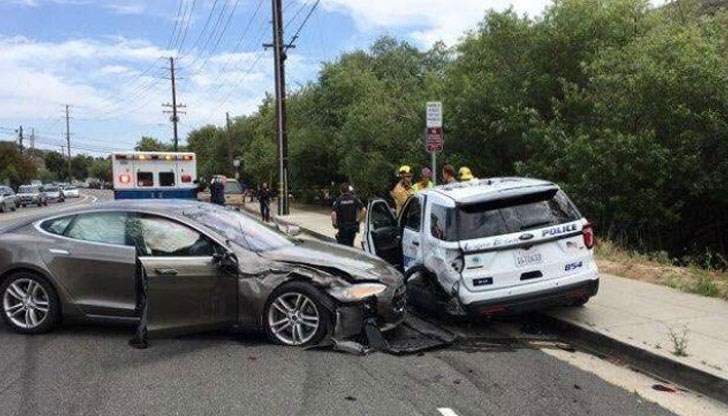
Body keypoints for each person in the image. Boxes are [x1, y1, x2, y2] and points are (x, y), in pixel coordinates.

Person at [331, 182, 366, 247]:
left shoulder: (338, 200)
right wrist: (359, 221)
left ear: (340, 190)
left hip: (343, 227)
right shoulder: (355, 199)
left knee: (343, 247)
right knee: (351, 244)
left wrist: (334, 224)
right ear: (348, 190)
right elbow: (364, 210)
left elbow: (333, 213)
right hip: (352, 227)